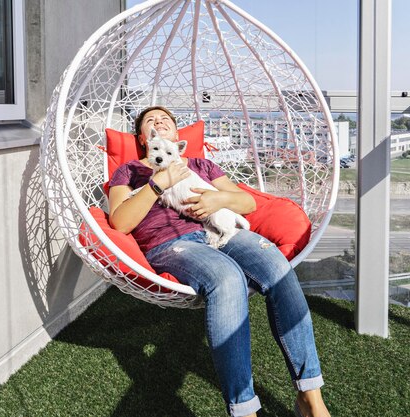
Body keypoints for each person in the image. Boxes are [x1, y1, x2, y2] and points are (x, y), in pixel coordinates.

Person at [108, 106, 331, 417]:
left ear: (176, 135)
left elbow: (247, 202)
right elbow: (119, 222)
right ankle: (244, 410)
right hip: (172, 244)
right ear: (145, 139)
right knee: (227, 279)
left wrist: (218, 199)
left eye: (166, 120)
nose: (159, 123)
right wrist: (157, 183)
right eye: (151, 122)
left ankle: (310, 398)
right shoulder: (130, 171)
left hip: (223, 229)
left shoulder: (201, 164)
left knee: (277, 267)